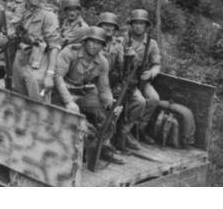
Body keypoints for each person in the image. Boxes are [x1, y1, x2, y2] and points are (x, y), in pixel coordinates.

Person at [53, 26, 124, 165]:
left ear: (102, 46)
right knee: (73, 120)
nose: (94, 45)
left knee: (106, 116)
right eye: (91, 41)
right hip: (62, 92)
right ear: (84, 41)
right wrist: (68, 101)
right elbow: (58, 77)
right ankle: (69, 152)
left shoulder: (103, 62)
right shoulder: (69, 52)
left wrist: (110, 103)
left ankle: (103, 148)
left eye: (98, 43)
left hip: (83, 92)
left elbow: (104, 87)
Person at [11, 0, 62, 101]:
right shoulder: (20, 11)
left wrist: (49, 75)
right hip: (21, 57)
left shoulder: (48, 15)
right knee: (17, 97)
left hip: (38, 61)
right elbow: (12, 32)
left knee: (38, 100)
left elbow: (54, 46)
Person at [122, 9, 162, 145]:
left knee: (154, 99)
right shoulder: (123, 39)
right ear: (131, 24)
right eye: (136, 23)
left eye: (142, 23)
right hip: (126, 77)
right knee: (139, 101)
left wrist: (150, 73)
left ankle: (139, 129)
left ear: (146, 26)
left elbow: (157, 65)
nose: (138, 26)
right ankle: (125, 131)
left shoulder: (152, 43)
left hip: (142, 79)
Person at [96, 12, 125, 89]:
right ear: (100, 26)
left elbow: (121, 66)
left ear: (115, 28)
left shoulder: (118, 45)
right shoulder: (93, 42)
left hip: (111, 80)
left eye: (111, 25)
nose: (108, 28)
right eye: (105, 25)